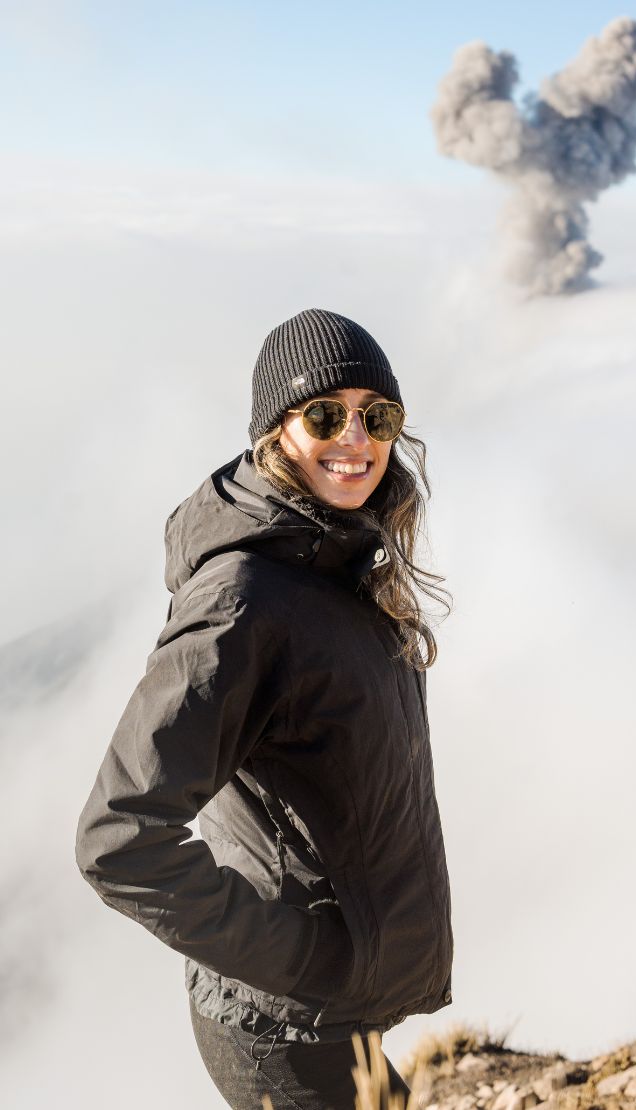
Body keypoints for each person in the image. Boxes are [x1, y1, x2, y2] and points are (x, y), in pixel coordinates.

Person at [75, 308, 454, 1109]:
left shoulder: (336, 558)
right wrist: (305, 959)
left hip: (330, 1010)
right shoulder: (242, 602)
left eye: (377, 416)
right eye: (325, 415)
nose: (357, 439)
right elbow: (118, 839)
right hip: (282, 1030)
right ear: (275, 432)